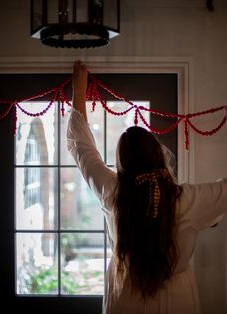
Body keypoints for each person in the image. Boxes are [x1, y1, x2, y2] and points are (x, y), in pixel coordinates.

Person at [67, 60, 227, 314]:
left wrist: (78, 90)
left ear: (123, 163)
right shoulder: (186, 199)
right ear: (158, 155)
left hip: (125, 297)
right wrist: (211, 213)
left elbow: (81, 147)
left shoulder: (111, 190)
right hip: (177, 300)